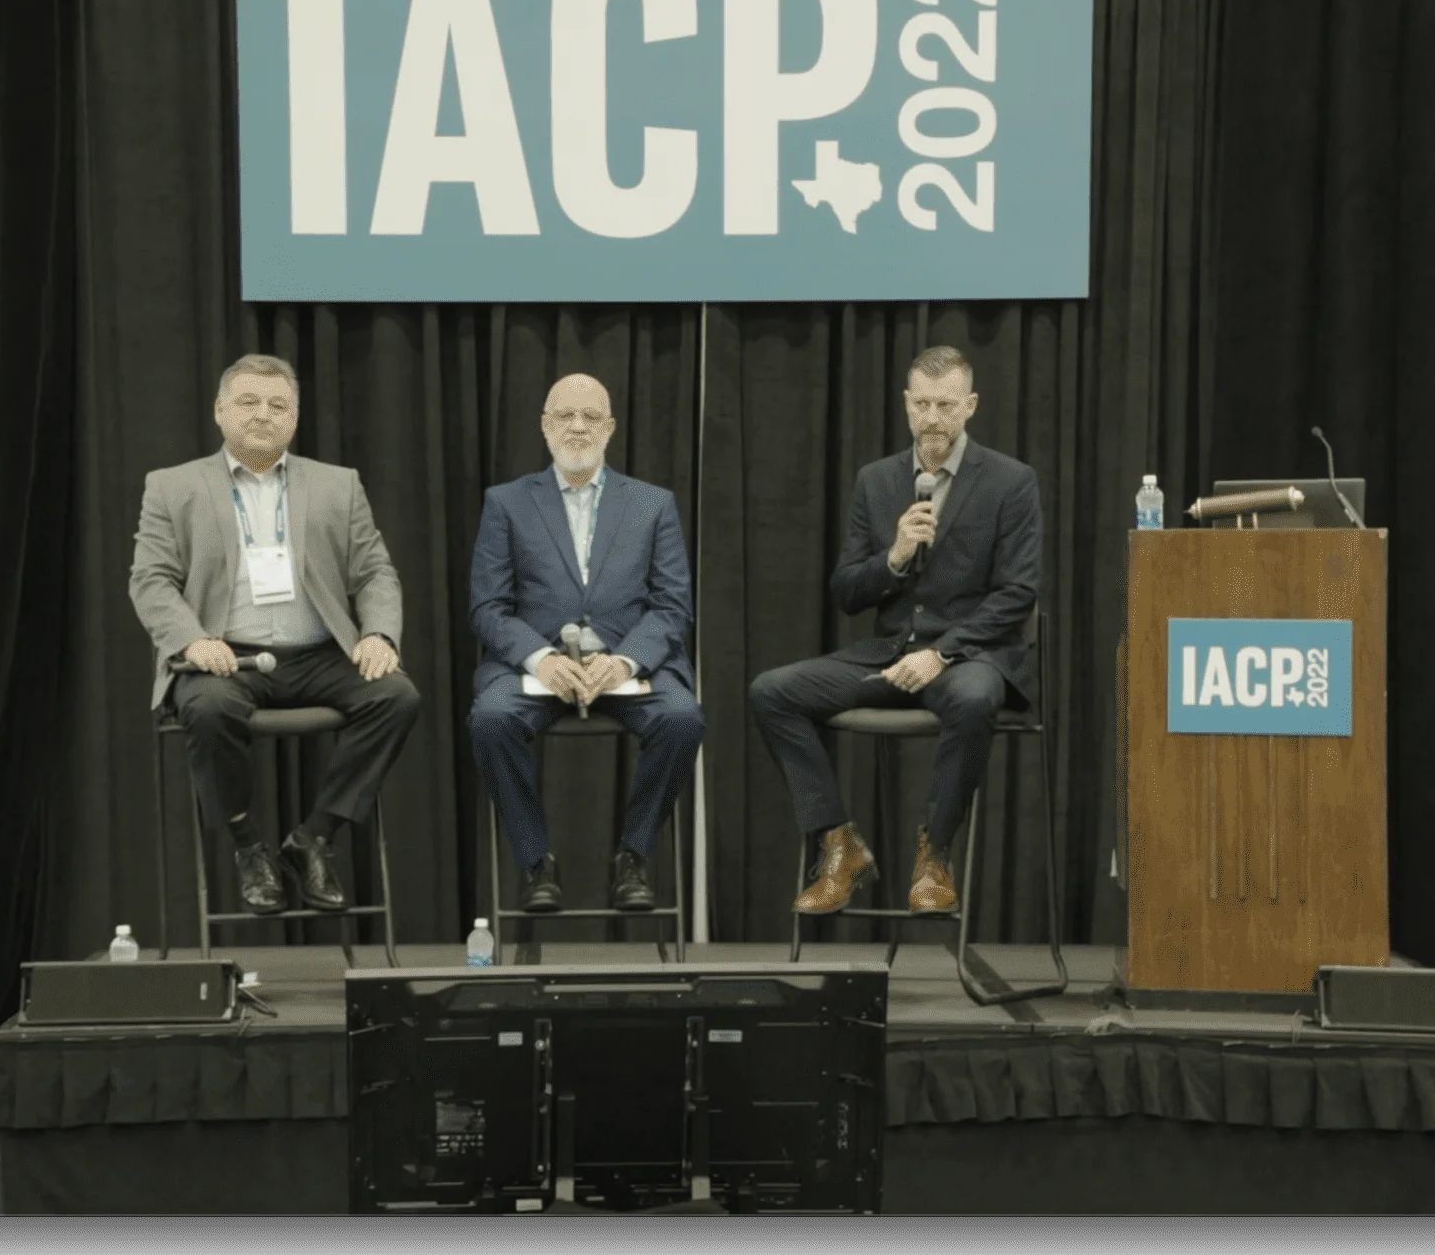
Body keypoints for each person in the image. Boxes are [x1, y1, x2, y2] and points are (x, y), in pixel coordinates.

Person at [747, 345, 1042, 916]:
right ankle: (839, 843)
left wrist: (943, 655)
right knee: (771, 691)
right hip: (887, 652)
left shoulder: (1011, 481)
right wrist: (895, 556)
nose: (933, 417)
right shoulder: (877, 481)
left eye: (946, 405)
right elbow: (847, 591)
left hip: (968, 657)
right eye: (923, 404)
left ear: (970, 405)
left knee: (976, 698)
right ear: (907, 405)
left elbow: (1018, 594)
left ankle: (935, 856)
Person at [130, 353, 421, 915]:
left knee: (397, 696)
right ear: (219, 411)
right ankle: (249, 846)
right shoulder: (172, 486)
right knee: (208, 709)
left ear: (294, 417)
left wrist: (379, 635)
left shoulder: (339, 485)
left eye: (278, 405)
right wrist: (192, 642)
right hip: (226, 656)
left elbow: (375, 572)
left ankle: (314, 837)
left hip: (318, 653)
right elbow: (152, 579)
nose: (264, 414)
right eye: (248, 402)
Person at [468, 374, 702, 914]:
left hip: (627, 662)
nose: (578, 427)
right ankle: (535, 863)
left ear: (611, 427)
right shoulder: (505, 503)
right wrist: (542, 659)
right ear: (545, 425)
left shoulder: (652, 503)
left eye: (591, 416)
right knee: (492, 719)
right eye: (565, 416)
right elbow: (488, 607)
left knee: (682, 718)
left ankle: (633, 858)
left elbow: (673, 607)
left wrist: (624, 662)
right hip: (538, 664)